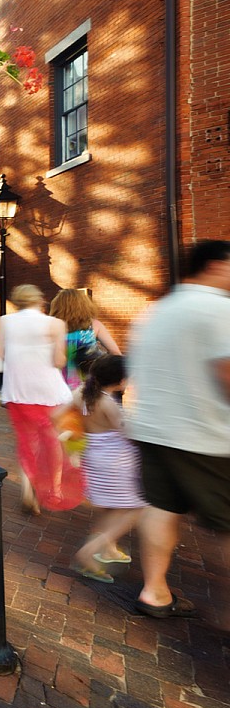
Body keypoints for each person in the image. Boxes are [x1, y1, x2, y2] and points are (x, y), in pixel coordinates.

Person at [125, 240, 230, 622]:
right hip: (207, 432)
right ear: (216, 265)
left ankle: (155, 591)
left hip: (154, 428)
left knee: (160, 508)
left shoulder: (155, 311)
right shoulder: (219, 309)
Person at [58, 355, 144, 582]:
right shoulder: (108, 404)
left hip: (94, 459)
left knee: (110, 507)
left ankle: (104, 551)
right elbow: (130, 434)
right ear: (121, 381)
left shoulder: (80, 395)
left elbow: (56, 415)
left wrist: (74, 431)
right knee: (137, 507)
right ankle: (88, 553)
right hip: (116, 463)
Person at [0, 284, 75, 514]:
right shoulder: (55, 324)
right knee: (52, 442)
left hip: (17, 391)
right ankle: (55, 489)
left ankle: (27, 492)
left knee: (26, 441)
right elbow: (59, 361)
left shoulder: (5, 321)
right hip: (48, 393)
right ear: (40, 301)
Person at [48, 288, 122, 389]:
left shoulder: (51, 327)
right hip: (89, 386)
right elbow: (115, 352)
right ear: (84, 305)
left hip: (58, 386)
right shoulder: (94, 325)